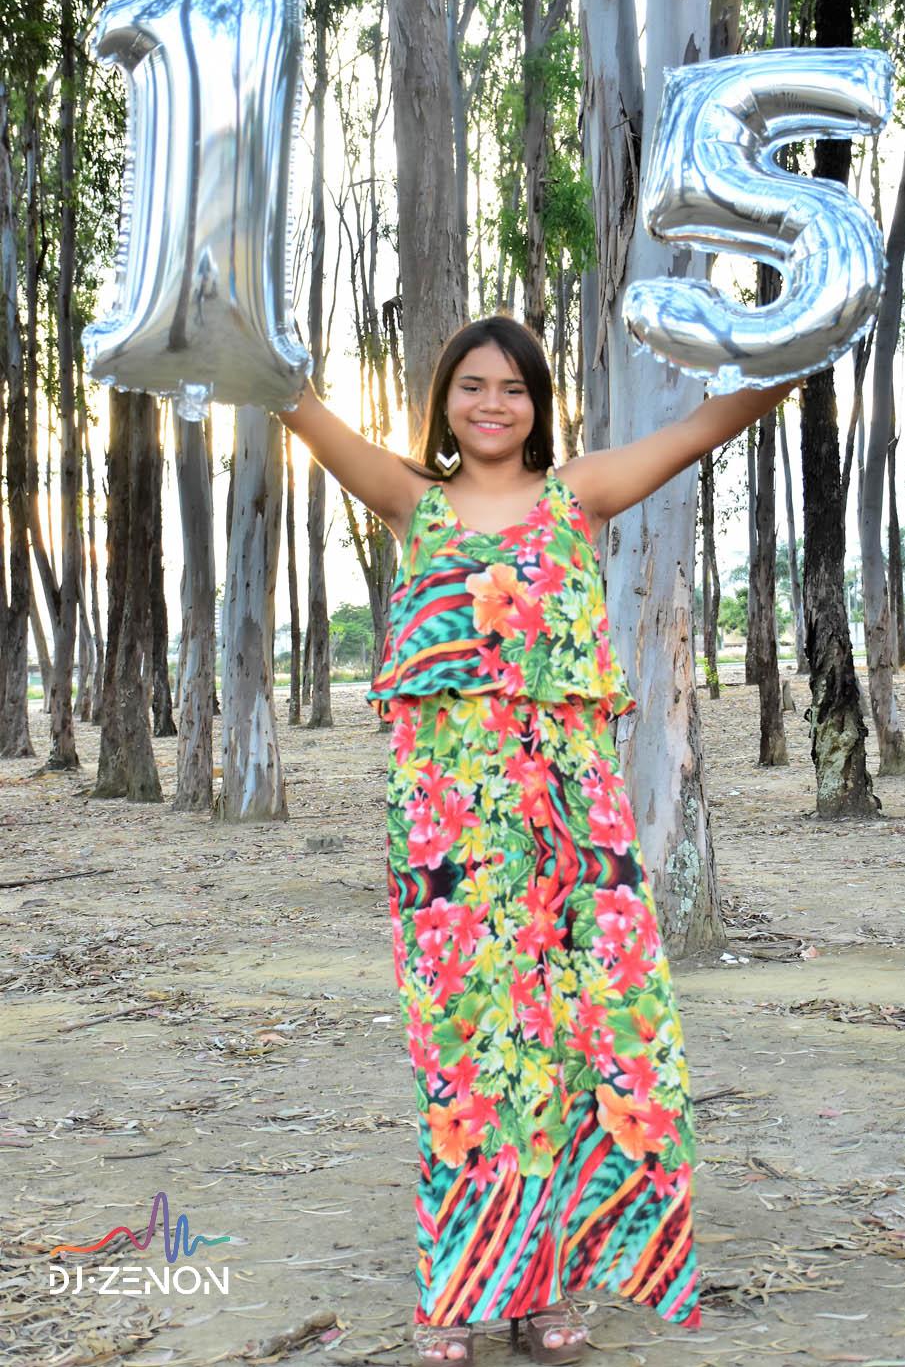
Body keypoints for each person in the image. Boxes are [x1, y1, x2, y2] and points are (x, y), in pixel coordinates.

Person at [279, 316, 795, 1365]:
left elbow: (704, 427)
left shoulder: (579, 495)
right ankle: (455, 1292)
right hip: (449, 830)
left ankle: (544, 1286)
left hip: (572, 825)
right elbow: (301, 410)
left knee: (578, 1041)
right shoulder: (413, 504)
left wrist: (793, 353)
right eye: (472, 385)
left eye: (513, 388)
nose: (492, 404)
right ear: (443, 400)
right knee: (467, 1053)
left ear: (537, 404)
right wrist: (245, 356)